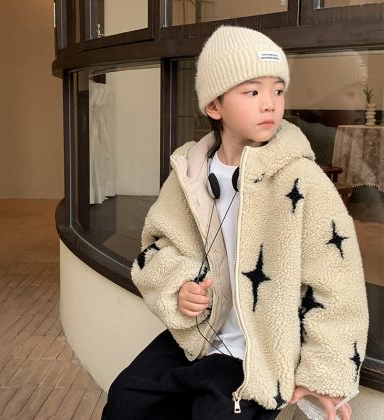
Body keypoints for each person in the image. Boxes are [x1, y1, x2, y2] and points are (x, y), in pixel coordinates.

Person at [102, 26, 369, 420]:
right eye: (252, 92)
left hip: (259, 356)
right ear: (215, 106)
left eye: (278, 90)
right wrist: (179, 287)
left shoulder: (302, 180)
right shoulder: (189, 173)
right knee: (126, 400)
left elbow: (337, 282)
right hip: (197, 338)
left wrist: (324, 375)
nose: (270, 104)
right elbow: (157, 247)